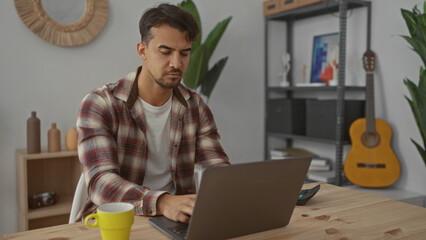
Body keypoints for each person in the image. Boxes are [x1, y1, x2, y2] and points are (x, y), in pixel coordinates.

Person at [76, 3, 230, 224]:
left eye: (184, 53)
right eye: (165, 52)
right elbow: (101, 183)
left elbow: (218, 172)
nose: (176, 63)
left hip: (177, 220)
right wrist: (162, 202)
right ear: (142, 50)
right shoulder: (100, 104)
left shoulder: (196, 107)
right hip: (116, 221)